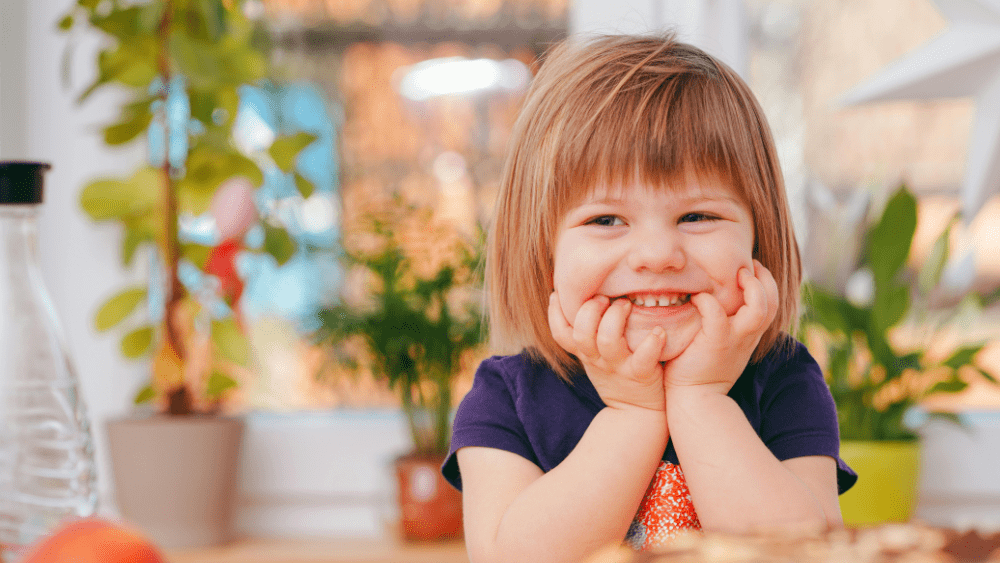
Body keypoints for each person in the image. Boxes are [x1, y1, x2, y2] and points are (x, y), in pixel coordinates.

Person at [440, 33, 857, 563]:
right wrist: (632, 414)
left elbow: (803, 556)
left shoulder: (785, 380)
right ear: (543, 253)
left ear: (759, 240)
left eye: (698, 216)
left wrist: (701, 398)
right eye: (606, 220)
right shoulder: (506, 399)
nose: (658, 254)